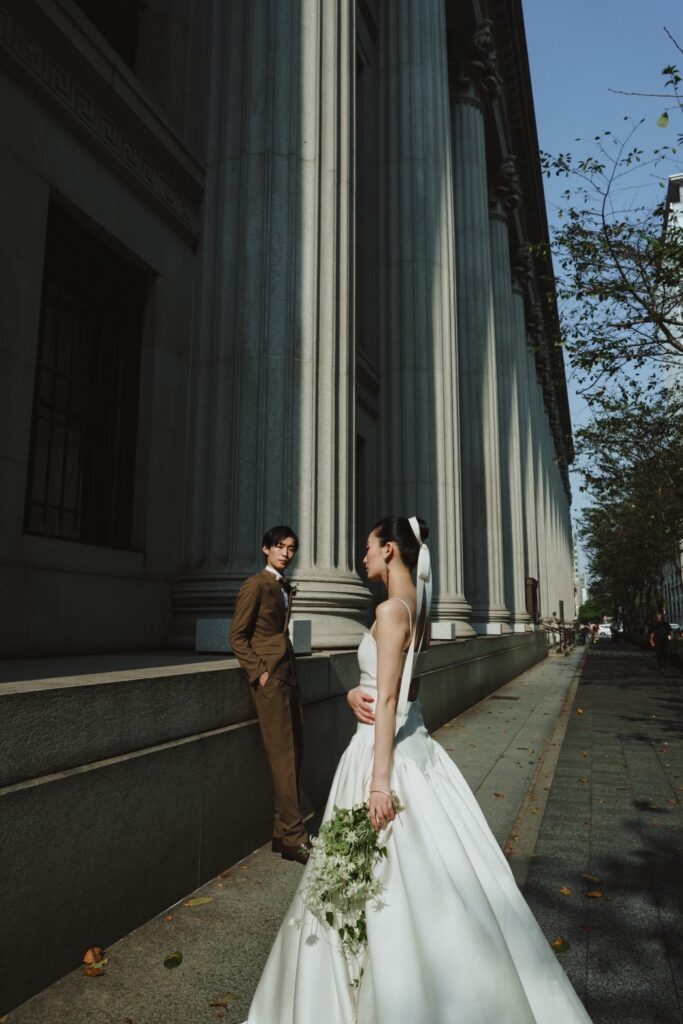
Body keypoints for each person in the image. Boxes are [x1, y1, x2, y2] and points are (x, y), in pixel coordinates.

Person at [241, 516, 592, 1023]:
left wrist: (379, 782)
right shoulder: (419, 606)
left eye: (366, 548)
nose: (361, 557)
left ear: (389, 551)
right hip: (416, 744)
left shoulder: (388, 611)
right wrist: (350, 692)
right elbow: (401, 689)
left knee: (370, 882)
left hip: (381, 754)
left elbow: (387, 699)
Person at [230, 526, 310, 865]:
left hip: (287, 674)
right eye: (279, 547)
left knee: (295, 753)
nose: (286, 553)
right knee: (283, 758)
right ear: (266, 549)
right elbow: (237, 636)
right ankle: (294, 837)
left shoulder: (281, 585)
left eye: (291, 548)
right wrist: (258, 673)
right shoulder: (256, 585)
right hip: (270, 680)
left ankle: (282, 833)